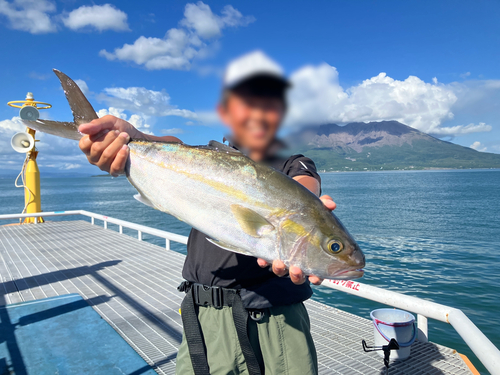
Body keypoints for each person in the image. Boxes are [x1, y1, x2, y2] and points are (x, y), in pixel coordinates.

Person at [78, 51, 336, 375]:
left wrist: (307, 213)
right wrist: (132, 139)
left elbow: (304, 185)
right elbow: (173, 146)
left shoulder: (290, 165)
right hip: (203, 316)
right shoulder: (208, 161)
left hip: (275, 318)